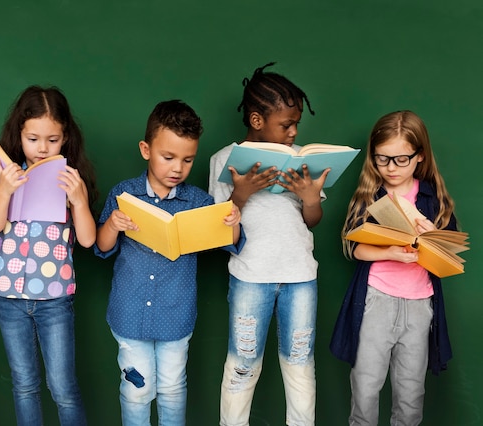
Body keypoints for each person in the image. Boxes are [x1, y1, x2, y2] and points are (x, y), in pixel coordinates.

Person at [94, 99, 243, 425]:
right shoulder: (125, 193)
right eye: (169, 157)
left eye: (188, 160)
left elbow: (229, 246)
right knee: (137, 387)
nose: (178, 168)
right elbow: (102, 248)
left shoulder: (199, 202)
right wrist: (113, 225)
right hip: (129, 314)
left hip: (176, 314)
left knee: (173, 386)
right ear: (146, 150)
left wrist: (233, 223)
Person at [209, 62, 330, 426]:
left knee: (299, 364)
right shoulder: (224, 162)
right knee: (243, 365)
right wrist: (240, 195)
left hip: (300, 277)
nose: (294, 131)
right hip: (251, 276)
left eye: (296, 124)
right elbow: (217, 231)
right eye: (286, 124)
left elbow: (312, 220)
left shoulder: (300, 161)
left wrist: (310, 198)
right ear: (257, 120)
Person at [330, 110, 458, 425]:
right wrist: (389, 252)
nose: (390, 168)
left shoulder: (432, 198)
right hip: (375, 300)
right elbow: (353, 248)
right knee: (365, 387)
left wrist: (430, 236)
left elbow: (450, 254)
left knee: (411, 394)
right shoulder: (370, 195)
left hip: (419, 305)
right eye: (382, 159)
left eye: (401, 159)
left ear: (419, 157)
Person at [0, 85, 97, 426]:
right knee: (24, 385)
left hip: (54, 298)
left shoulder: (71, 180)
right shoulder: (8, 174)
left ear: (66, 138)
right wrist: (4, 189)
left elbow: (89, 241)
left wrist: (79, 200)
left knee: (62, 387)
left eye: (53, 139)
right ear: (19, 134)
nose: (42, 148)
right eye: (33, 139)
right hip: (10, 296)